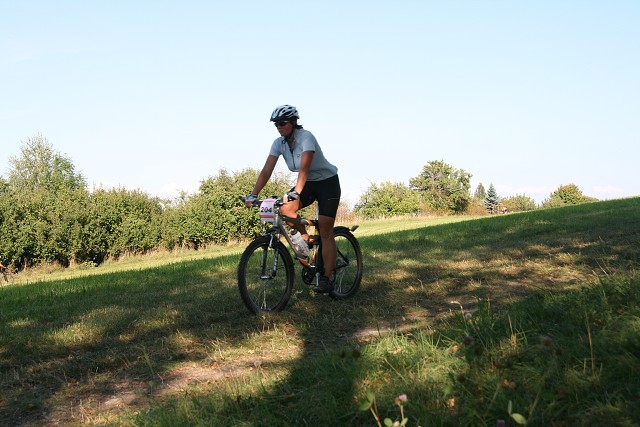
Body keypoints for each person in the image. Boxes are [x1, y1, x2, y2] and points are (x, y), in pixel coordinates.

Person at [244, 105, 341, 293]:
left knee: (325, 229)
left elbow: (304, 168)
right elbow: (266, 171)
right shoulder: (278, 143)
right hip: (308, 184)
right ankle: (306, 242)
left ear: (294, 122)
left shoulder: (306, 137)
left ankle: (327, 278)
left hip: (327, 183)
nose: (279, 127)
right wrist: (253, 194)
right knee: (285, 209)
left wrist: (296, 191)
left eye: (282, 123)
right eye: (276, 124)